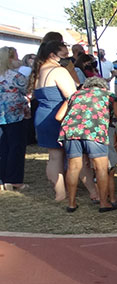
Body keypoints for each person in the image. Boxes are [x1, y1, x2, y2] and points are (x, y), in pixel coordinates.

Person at [29, 39, 97, 201]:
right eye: (64, 54)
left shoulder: (38, 71)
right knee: (77, 156)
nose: (68, 58)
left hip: (43, 116)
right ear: (53, 55)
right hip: (61, 116)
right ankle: (94, 192)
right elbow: (72, 96)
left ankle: (60, 193)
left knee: (54, 157)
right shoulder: (58, 71)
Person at [56, 76, 117, 212]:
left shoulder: (74, 95)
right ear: (103, 86)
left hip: (71, 132)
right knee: (101, 168)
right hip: (95, 131)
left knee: (73, 168)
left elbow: (58, 117)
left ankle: (71, 204)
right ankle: (104, 203)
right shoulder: (109, 96)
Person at [0, 47, 29, 191]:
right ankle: (14, 179)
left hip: (2, 115)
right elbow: (27, 90)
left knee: (3, 148)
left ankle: (2, 179)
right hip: (14, 115)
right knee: (16, 147)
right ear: (10, 59)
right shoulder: (16, 76)